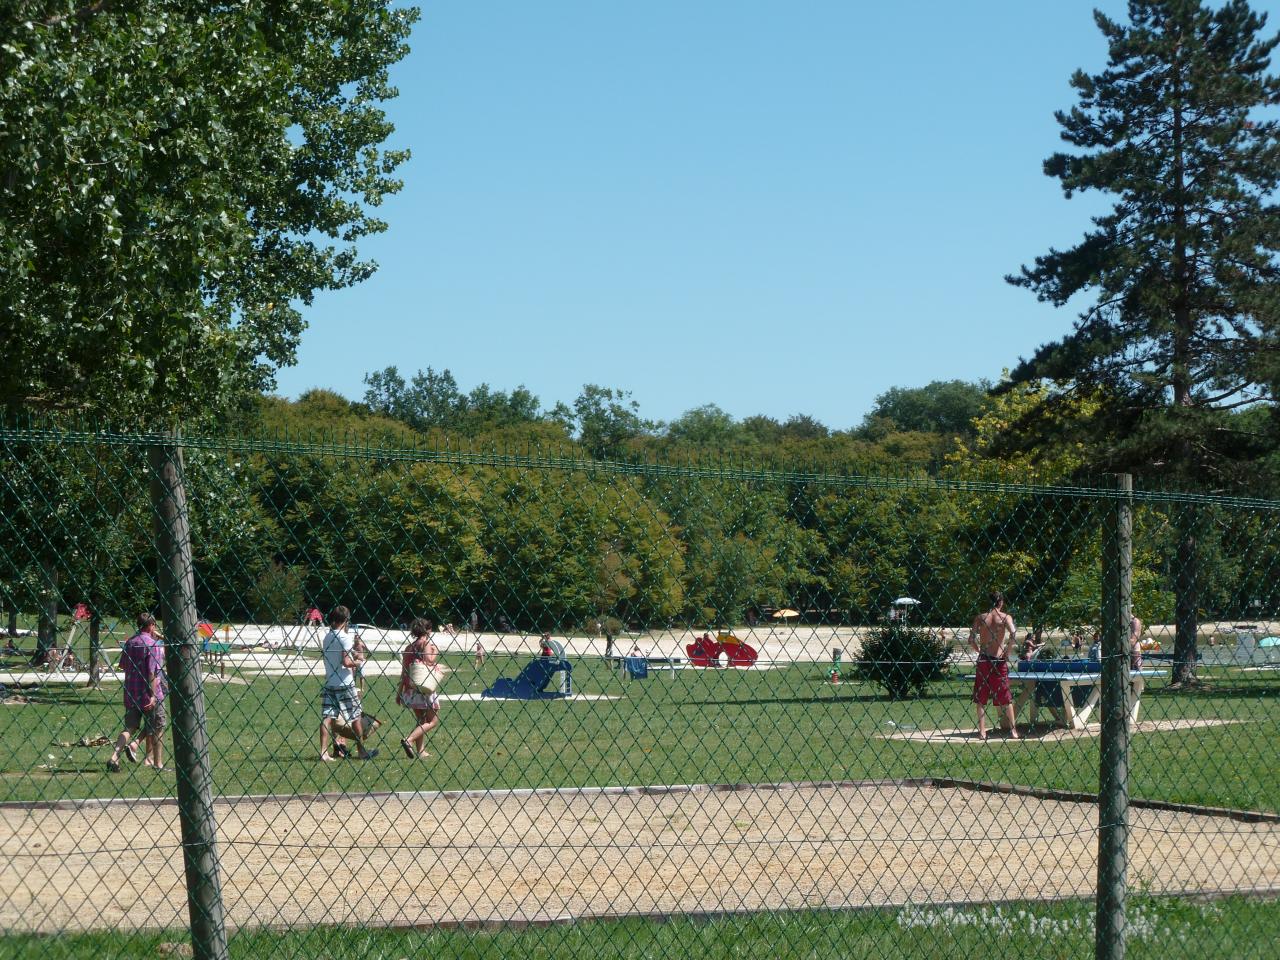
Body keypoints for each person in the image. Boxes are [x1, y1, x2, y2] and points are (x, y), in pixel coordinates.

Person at [106, 613, 167, 772]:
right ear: (151, 625)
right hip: (148, 693)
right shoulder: (152, 645)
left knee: (130, 727)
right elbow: (152, 673)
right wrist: (153, 695)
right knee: (158, 726)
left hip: (132, 691)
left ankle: (114, 757)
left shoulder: (130, 643)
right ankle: (158, 764)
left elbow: (123, 666)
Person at [319, 605, 379, 762]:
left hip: (330, 681)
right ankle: (361, 751)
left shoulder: (327, 637)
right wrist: (359, 662)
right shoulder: (345, 638)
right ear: (346, 620)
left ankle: (323, 752)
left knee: (327, 717)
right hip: (345, 683)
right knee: (355, 717)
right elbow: (346, 662)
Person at [969, 591, 1019, 741]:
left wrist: (979, 650)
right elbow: (1014, 633)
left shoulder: (981, 617)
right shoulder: (1005, 617)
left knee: (981, 697)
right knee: (1006, 696)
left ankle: (982, 732)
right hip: (998, 659)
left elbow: (971, 639)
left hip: (984, 659)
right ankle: (1013, 731)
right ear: (1001, 602)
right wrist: (1008, 651)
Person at [398, 619, 446, 759]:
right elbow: (429, 661)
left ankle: (421, 751)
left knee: (421, 720)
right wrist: (436, 651)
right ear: (428, 630)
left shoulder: (408, 647)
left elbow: (404, 671)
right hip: (424, 687)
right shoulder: (425, 644)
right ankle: (409, 740)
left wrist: (399, 692)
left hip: (410, 687)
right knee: (432, 721)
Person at [351, 630, 368, 694]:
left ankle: (362, 688)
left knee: (361, 676)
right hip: (354, 662)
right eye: (355, 638)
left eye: (357, 638)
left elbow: (369, 651)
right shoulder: (353, 646)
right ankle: (353, 687)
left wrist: (365, 659)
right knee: (353, 676)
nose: (356, 639)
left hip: (361, 662)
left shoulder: (361, 644)